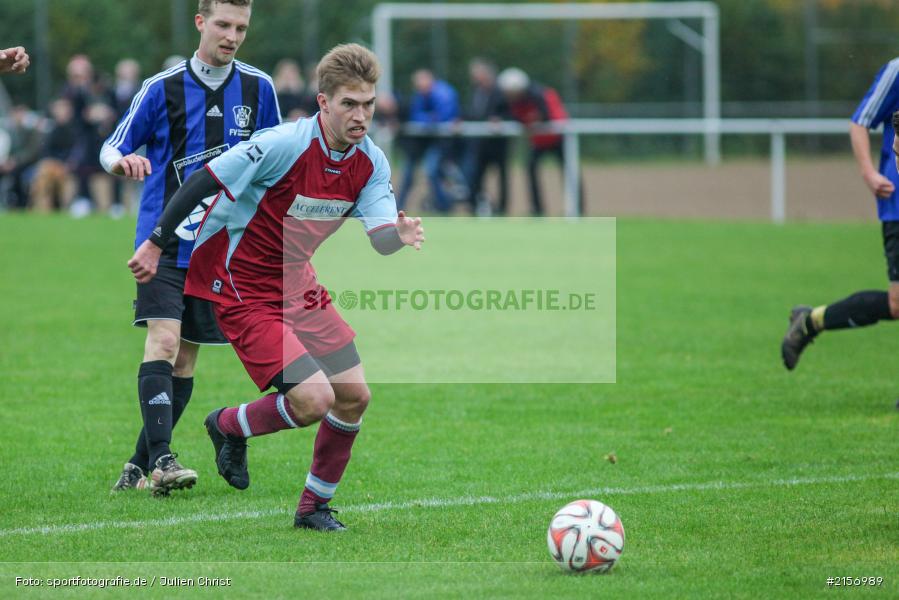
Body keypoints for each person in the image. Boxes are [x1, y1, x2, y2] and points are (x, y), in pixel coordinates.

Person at [126, 43, 424, 531]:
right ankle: (227, 425)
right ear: (323, 102)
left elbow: (381, 240)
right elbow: (204, 180)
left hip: (298, 284)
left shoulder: (371, 162)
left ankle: (312, 508)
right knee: (313, 399)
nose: (361, 115)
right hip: (241, 288)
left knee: (354, 395)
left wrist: (399, 236)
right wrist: (157, 242)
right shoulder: (284, 144)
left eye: (368, 104)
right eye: (349, 103)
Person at [101, 0, 281, 496]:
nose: (232, 35)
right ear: (201, 23)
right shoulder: (161, 88)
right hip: (161, 243)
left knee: (184, 362)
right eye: (223, 24)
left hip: (218, 251)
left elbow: (274, 164)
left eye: (241, 27)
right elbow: (111, 146)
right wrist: (121, 164)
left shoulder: (259, 88)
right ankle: (162, 461)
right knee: (162, 341)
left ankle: (137, 466)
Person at [782, 58, 899, 375]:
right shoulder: (897, 71)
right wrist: (868, 173)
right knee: (897, 303)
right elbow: (860, 121)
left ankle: (811, 322)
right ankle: (810, 323)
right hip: (897, 203)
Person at [497, 67, 581, 216]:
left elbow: (545, 115)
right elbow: (510, 115)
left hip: (557, 137)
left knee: (569, 172)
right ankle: (537, 209)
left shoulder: (539, 94)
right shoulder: (512, 100)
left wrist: (531, 119)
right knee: (530, 168)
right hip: (539, 140)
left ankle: (576, 209)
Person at [396, 69, 460, 213]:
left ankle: (444, 206)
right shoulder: (420, 95)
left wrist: (426, 119)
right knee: (408, 173)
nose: (419, 87)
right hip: (422, 142)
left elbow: (442, 117)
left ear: (430, 80)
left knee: (432, 171)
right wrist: (429, 119)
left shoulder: (444, 93)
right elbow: (415, 115)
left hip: (441, 142)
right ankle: (397, 208)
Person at [463, 58, 509, 215]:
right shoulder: (476, 91)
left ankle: (502, 209)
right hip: (480, 143)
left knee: (502, 177)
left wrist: (499, 119)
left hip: (498, 144)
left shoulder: (500, 91)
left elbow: (507, 112)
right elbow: (473, 113)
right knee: (476, 177)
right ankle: (476, 207)